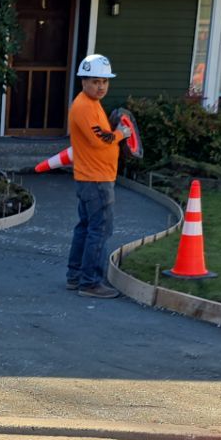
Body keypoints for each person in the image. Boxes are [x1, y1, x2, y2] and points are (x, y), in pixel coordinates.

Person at [67, 53, 130, 298]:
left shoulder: (90, 103)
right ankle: (90, 282)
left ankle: (76, 276)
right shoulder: (84, 106)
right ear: (84, 81)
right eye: (95, 81)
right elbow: (100, 139)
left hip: (91, 177)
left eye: (104, 81)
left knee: (86, 227)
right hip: (96, 179)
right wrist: (122, 133)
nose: (101, 86)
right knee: (100, 230)